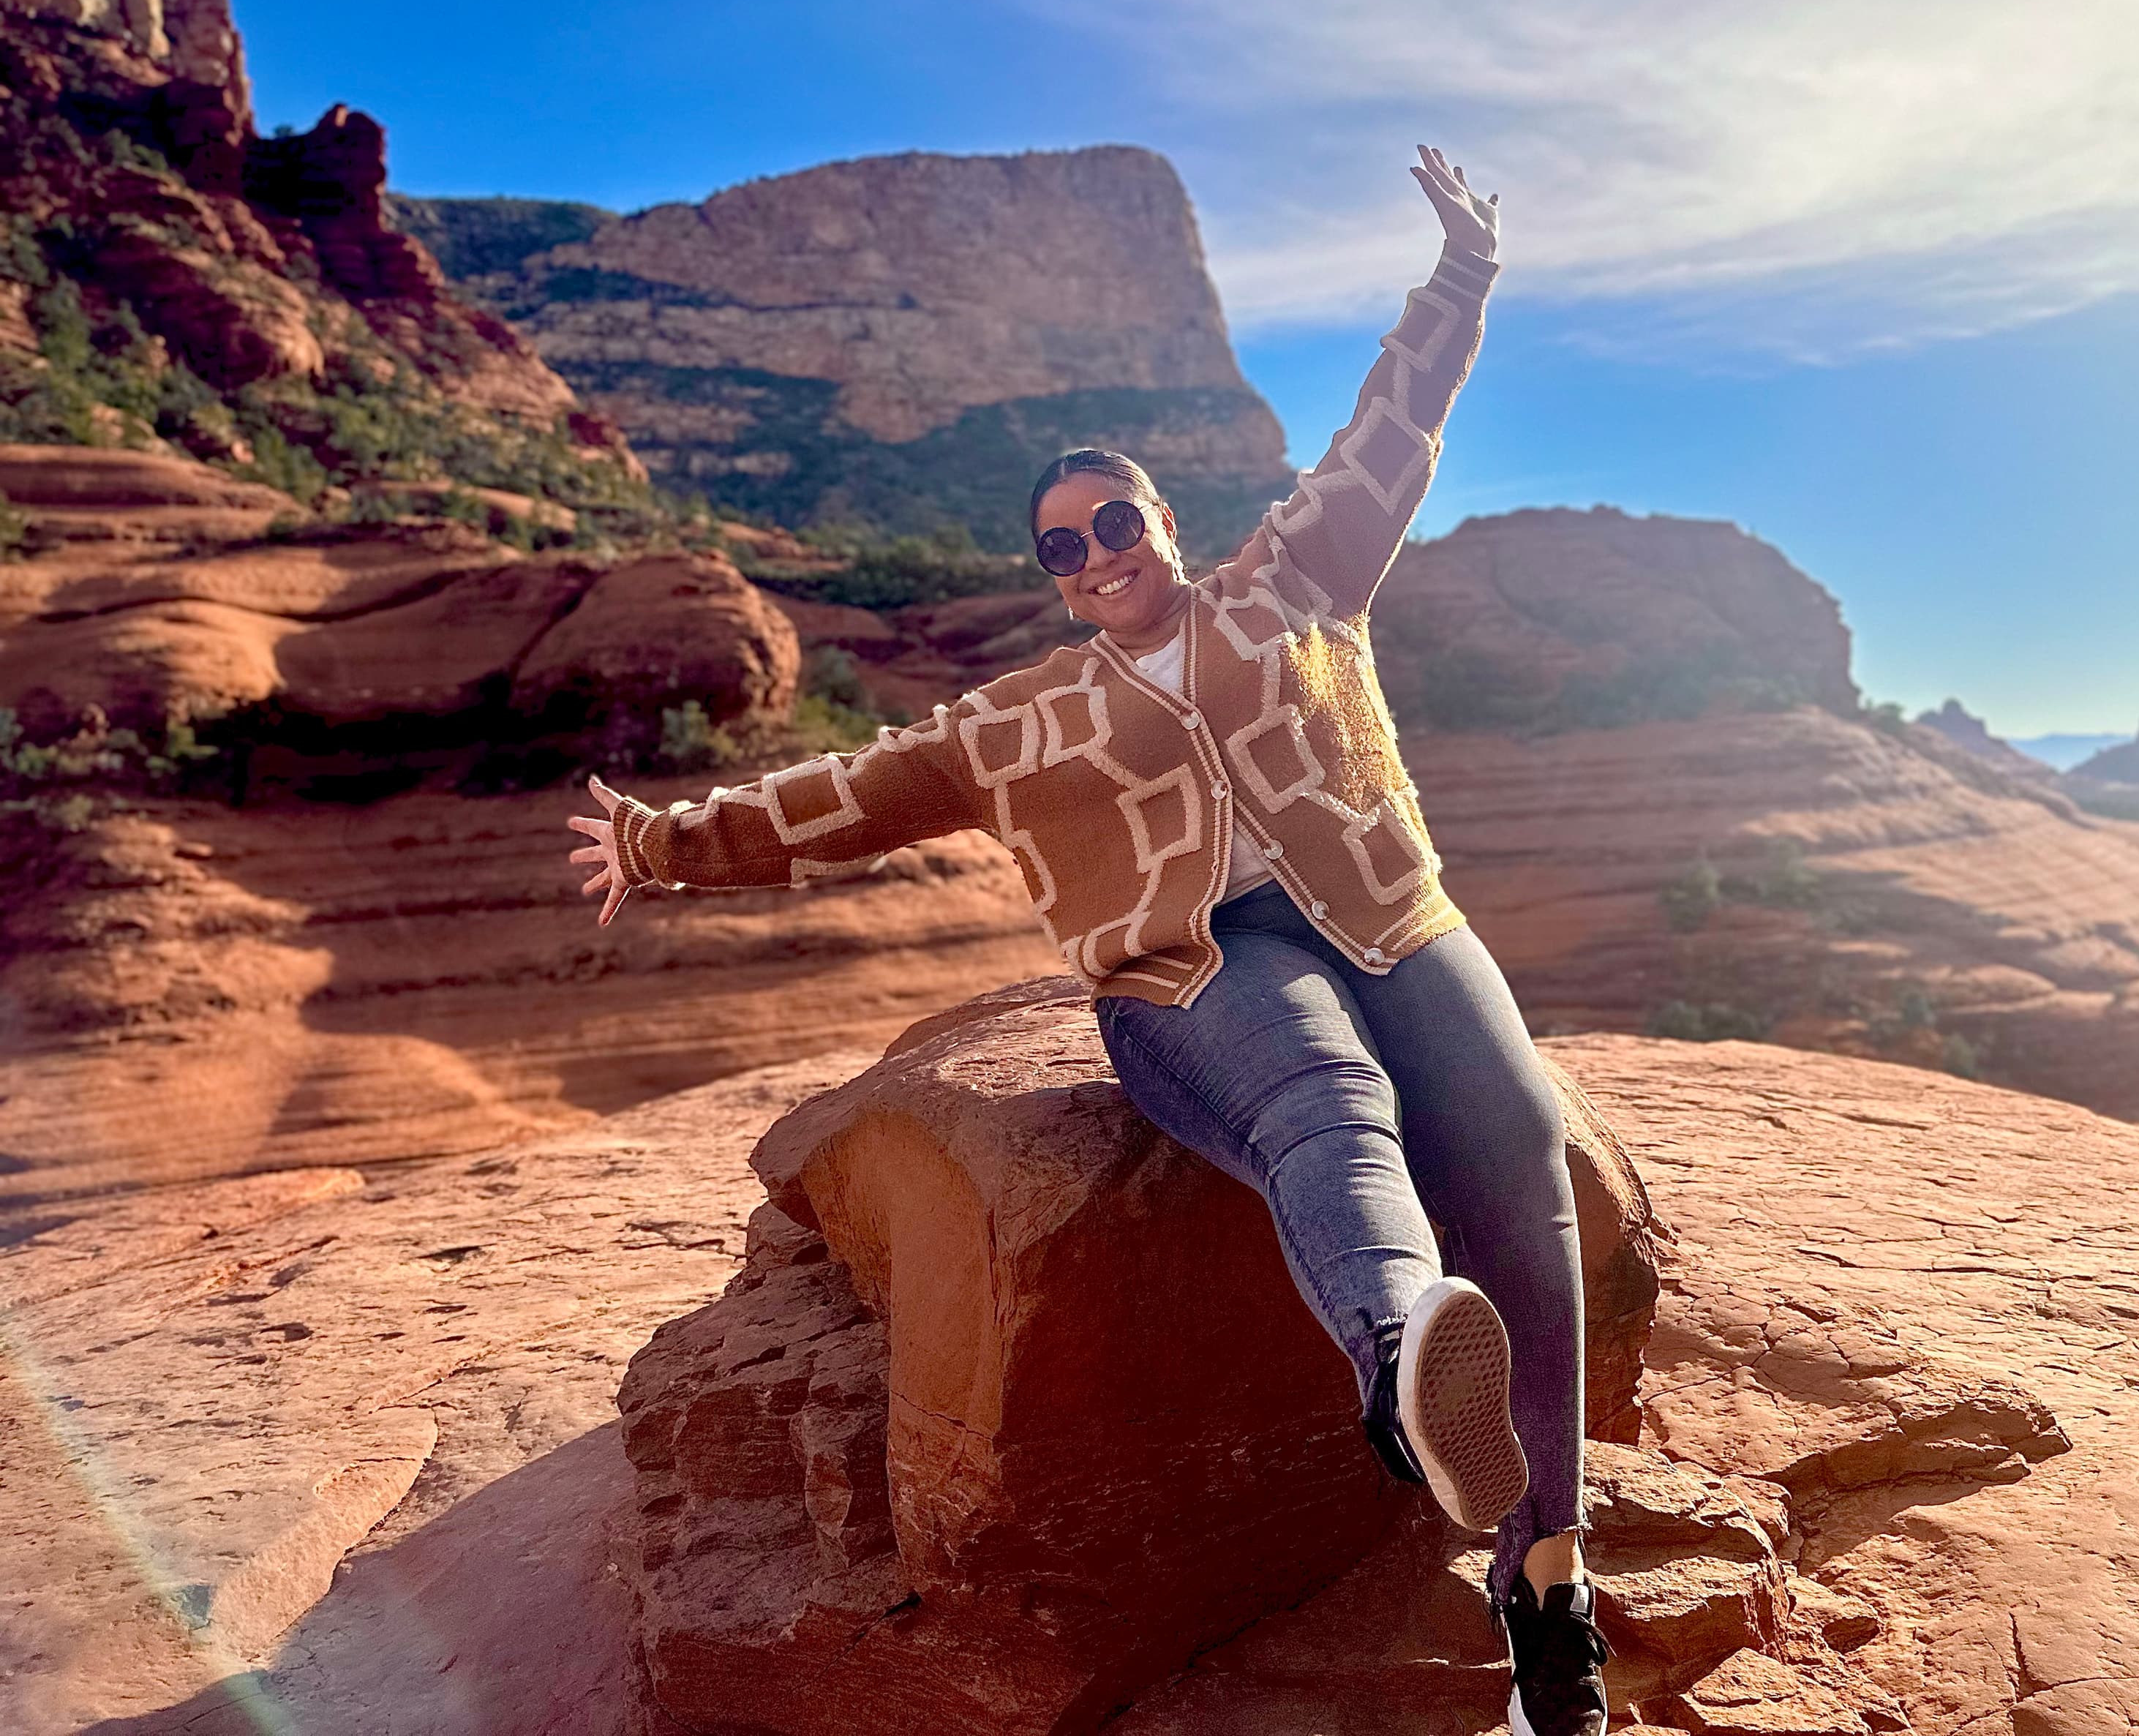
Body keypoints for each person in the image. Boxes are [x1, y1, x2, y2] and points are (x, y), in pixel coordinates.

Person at [566, 146, 1614, 1735]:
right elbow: (844, 794)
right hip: (1197, 972)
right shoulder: (1026, 717)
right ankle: (1410, 1362)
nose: (1093, 556)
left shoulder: (1298, 582)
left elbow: (1394, 430)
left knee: (1524, 1154)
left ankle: (1550, 1584)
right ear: (1051, 579)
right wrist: (660, 841)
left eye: (1110, 521)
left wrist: (1462, 271)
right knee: (1327, 1103)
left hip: (1394, 916)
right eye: (1059, 548)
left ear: (1163, 516)